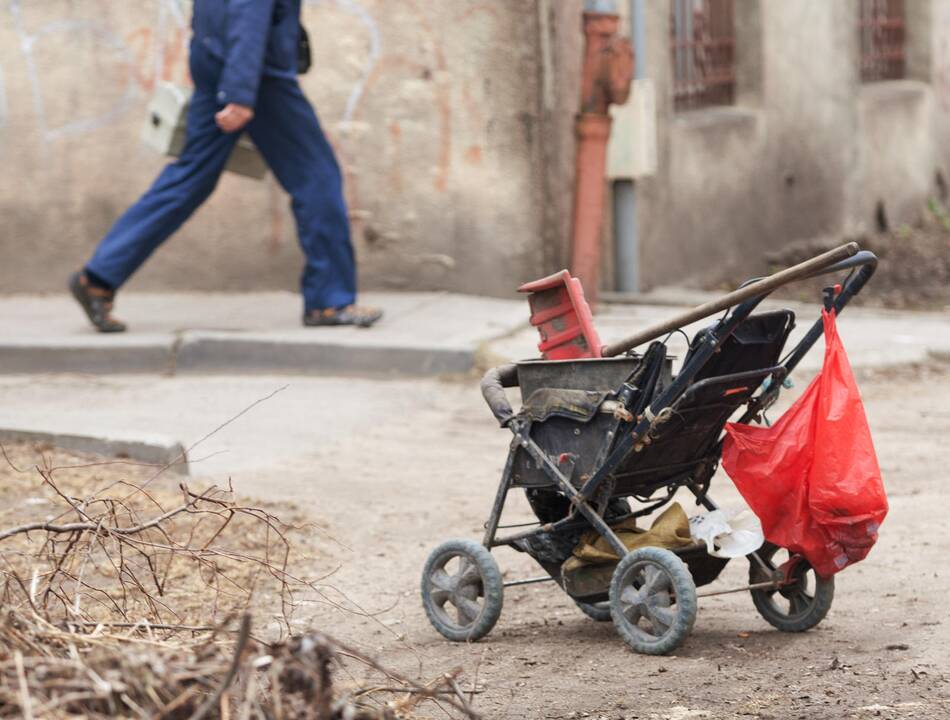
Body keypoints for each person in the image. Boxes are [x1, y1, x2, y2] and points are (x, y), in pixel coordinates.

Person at [69, 0, 382, 332]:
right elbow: (250, 13)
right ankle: (329, 300)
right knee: (317, 176)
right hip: (258, 76)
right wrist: (240, 92)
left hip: (217, 61)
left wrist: (218, 68)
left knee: (191, 177)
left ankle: (99, 277)